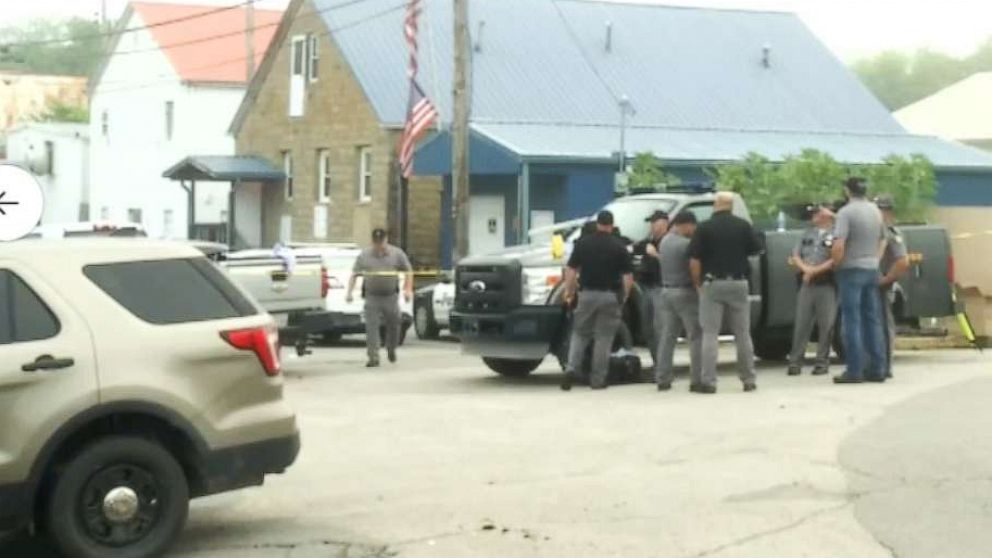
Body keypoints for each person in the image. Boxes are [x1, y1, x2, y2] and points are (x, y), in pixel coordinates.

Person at [688, 192, 762, 394]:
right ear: (731, 206)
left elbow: (694, 260)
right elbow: (756, 250)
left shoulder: (704, 228)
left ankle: (709, 381)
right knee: (743, 334)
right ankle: (748, 379)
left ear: (716, 205)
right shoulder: (743, 226)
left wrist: (698, 284)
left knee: (710, 334)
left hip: (713, 283)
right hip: (739, 282)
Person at [560, 210, 634, 391]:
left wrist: (570, 292)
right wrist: (624, 297)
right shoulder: (619, 246)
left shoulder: (583, 244)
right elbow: (628, 277)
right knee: (604, 338)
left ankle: (571, 369)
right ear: (611, 225)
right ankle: (598, 380)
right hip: (610, 296)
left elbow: (571, 271)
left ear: (597, 224)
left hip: (587, 295)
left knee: (580, 333)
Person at [830, 178, 887, 384]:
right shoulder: (874, 210)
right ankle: (878, 367)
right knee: (872, 319)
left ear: (847, 191)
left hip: (851, 269)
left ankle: (854, 369)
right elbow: (883, 239)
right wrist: (875, 260)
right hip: (871, 267)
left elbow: (839, 244)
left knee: (851, 320)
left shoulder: (846, 212)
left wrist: (836, 264)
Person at [346, 228, 414, 368]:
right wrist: (349, 292)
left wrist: (407, 290)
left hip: (390, 296)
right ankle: (373, 357)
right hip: (372, 296)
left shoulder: (396, 254)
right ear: (373, 242)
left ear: (386, 240)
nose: (379, 245)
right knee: (371, 327)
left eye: (381, 242)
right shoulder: (365, 255)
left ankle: (391, 348)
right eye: (376, 242)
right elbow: (355, 274)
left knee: (394, 325)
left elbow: (408, 271)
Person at [786, 203, 837, 376]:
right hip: (807, 284)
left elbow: (836, 259)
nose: (814, 216)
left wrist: (815, 271)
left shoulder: (837, 234)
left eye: (818, 213)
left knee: (826, 325)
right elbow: (796, 255)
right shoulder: (807, 234)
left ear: (827, 215)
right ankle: (795, 362)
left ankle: (822, 362)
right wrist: (806, 270)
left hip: (826, 284)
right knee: (802, 324)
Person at [654, 211, 702, 391]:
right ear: (685, 224)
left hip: (666, 292)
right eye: (693, 227)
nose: (694, 231)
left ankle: (662, 377)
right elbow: (693, 267)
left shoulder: (664, 242)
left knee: (667, 337)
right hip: (685, 292)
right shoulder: (685, 244)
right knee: (696, 336)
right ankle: (697, 378)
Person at [876, 196, 910, 378]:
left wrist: (886, 280)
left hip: (882, 286)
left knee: (883, 326)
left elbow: (902, 261)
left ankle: (886, 366)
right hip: (870, 284)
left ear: (887, 211)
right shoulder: (875, 232)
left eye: (879, 210)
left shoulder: (891, 233)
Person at [632, 210, 669, 362]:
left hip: (661, 288)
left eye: (655, 223)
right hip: (646, 288)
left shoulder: (669, 242)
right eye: (651, 223)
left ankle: (664, 366)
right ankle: (657, 363)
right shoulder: (648, 243)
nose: (652, 226)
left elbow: (673, 265)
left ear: (664, 223)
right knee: (648, 330)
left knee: (660, 329)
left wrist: (656, 255)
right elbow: (633, 248)